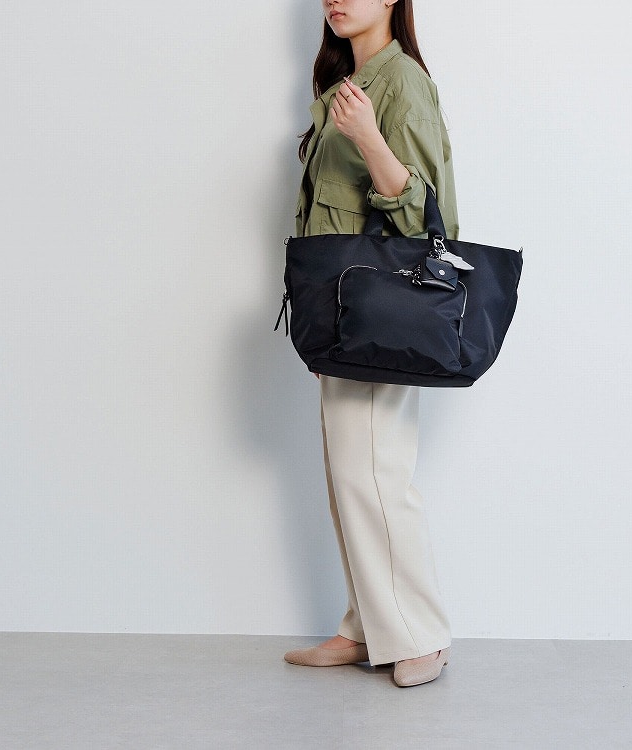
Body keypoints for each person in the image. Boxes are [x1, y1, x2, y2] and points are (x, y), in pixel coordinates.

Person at [283, 0, 458, 688]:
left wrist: (367, 138)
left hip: (385, 309)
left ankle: (421, 636)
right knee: (350, 475)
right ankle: (366, 626)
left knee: (378, 473)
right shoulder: (345, 84)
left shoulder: (402, 81)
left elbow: (425, 215)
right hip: (342, 310)